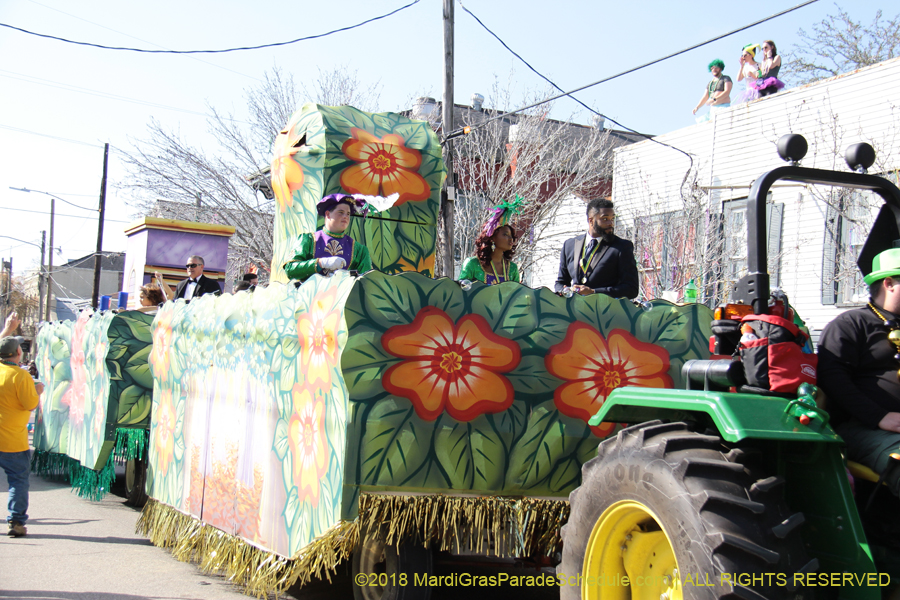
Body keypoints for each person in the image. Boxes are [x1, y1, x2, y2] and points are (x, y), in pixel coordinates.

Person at [818, 248, 900, 497]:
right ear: (889, 284)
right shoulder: (850, 324)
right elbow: (833, 380)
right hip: (866, 429)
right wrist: (879, 416)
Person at [0, 335, 43, 537]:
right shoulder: (20, 376)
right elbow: (30, 404)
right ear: (19, 353)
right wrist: (38, 391)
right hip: (12, 442)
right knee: (18, 481)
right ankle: (16, 522)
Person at [554, 199, 639, 299]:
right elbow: (560, 283)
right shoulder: (569, 245)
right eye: (605, 219)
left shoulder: (621, 247)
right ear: (591, 221)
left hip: (605, 312)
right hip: (574, 312)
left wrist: (594, 292)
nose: (610, 223)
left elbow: (631, 289)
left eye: (612, 218)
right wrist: (565, 290)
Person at [284, 194, 373, 282]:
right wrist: (321, 263)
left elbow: (368, 283)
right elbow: (290, 270)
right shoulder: (308, 240)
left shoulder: (360, 251)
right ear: (328, 214)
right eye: (341, 212)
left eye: (348, 214)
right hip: (312, 295)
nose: (345, 216)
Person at [459, 197, 523, 285]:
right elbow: (461, 293)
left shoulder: (513, 269)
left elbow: (516, 297)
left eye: (511, 235)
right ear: (492, 237)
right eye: (505, 234)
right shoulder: (472, 264)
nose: (510, 239)